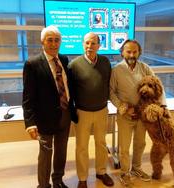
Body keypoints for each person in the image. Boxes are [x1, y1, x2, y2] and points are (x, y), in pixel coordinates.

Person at [22, 25, 77, 188]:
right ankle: (44, 185)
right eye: (50, 40)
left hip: (65, 113)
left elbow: (67, 86)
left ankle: (58, 180)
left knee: (61, 150)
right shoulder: (32, 64)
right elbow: (27, 97)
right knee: (45, 153)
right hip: (44, 118)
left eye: (57, 40)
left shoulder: (64, 59)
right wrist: (30, 123)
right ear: (42, 42)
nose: (54, 44)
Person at [109, 39, 166, 186]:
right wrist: (123, 107)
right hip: (125, 115)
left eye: (135, 51)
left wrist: (163, 106)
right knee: (124, 147)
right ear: (122, 53)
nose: (132, 54)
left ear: (139, 52)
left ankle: (136, 168)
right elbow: (111, 92)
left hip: (143, 115)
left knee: (140, 143)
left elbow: (158, 86)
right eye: (128, 51)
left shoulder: (145, 68)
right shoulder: (116, 70)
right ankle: (124, 172)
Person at [68, 32, 114, 188]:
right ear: (82, 44)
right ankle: (82, 178)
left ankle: (101, 172)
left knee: (101, 143)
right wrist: (72, 110)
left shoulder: (105, 62)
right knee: (81, 146)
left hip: (102, 110)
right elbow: (70, 90)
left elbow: (108, 84)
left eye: (93, 43)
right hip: (82, 112)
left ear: (99, 46)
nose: (90, 46)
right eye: (87, 43)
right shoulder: (74, 65)